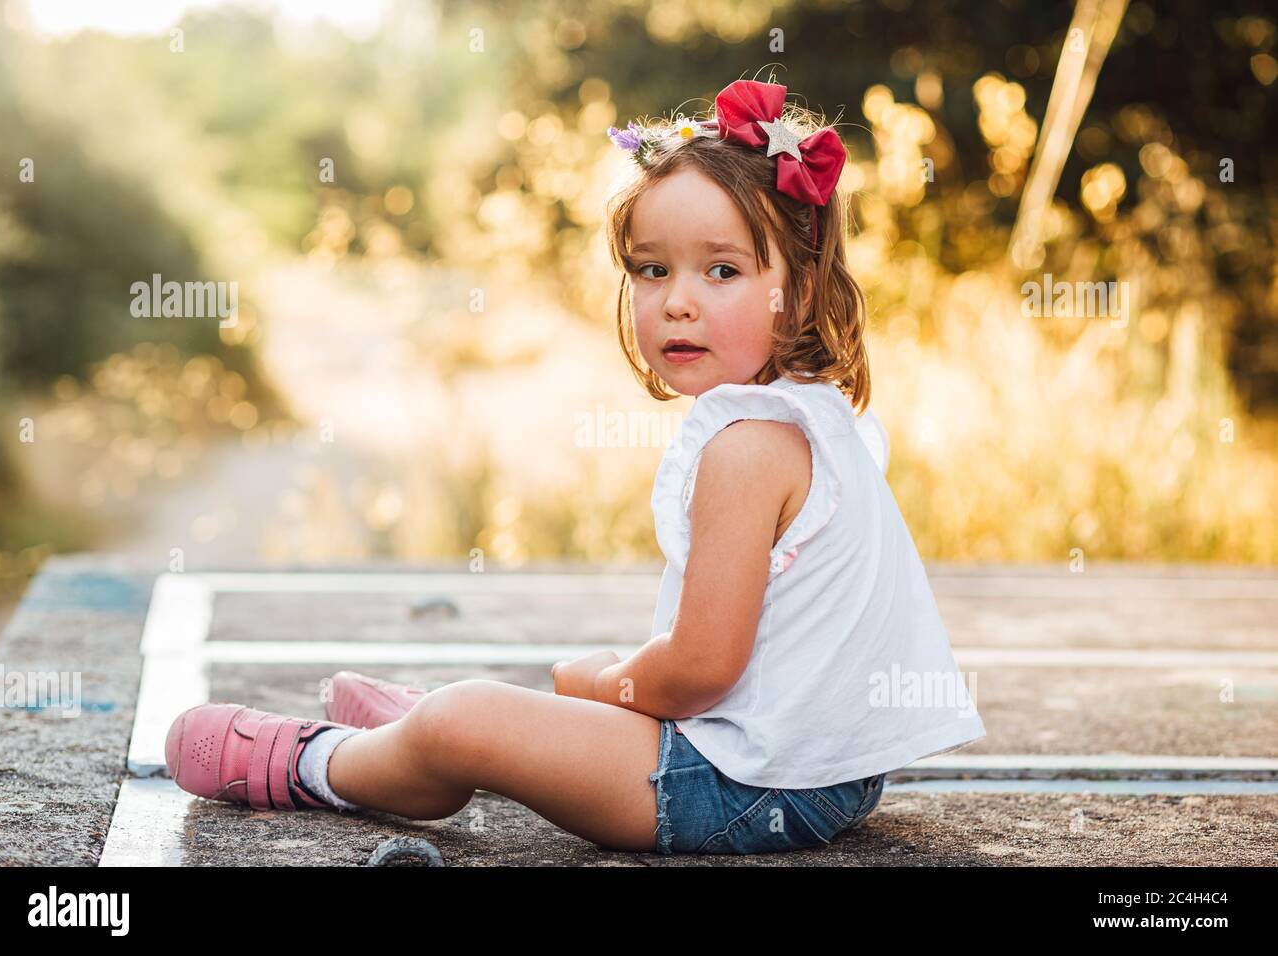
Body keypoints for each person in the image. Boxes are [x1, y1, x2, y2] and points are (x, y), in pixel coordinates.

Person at [165, 76, 986, 856]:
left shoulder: (748, 448)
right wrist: (613, 678)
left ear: (798, 292)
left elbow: (699, 673)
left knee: (477, 716)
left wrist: (607, 685)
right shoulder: (816, 413)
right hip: (823, 771)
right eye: (652, 269)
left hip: (749, 788)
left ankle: (335, 762)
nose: (678, 300)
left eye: (723, 270)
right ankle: (417, 736)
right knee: (588, 674)